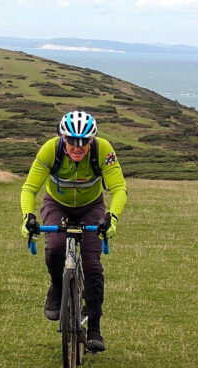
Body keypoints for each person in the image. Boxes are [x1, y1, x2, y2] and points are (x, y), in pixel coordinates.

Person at [20, 111, 127, 352]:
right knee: (56, 248)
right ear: (62, 138)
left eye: (84, 142)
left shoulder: (103, 150)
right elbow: (29, 189)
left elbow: (119, 188)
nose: (77, 147)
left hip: (91, 206)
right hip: (57, 204)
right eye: (71, 141)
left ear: (92, 140)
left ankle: (95, 328)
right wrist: (28, 216)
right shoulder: (50, 150)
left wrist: (113, 218)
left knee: (92, 264)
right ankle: (58, 286)